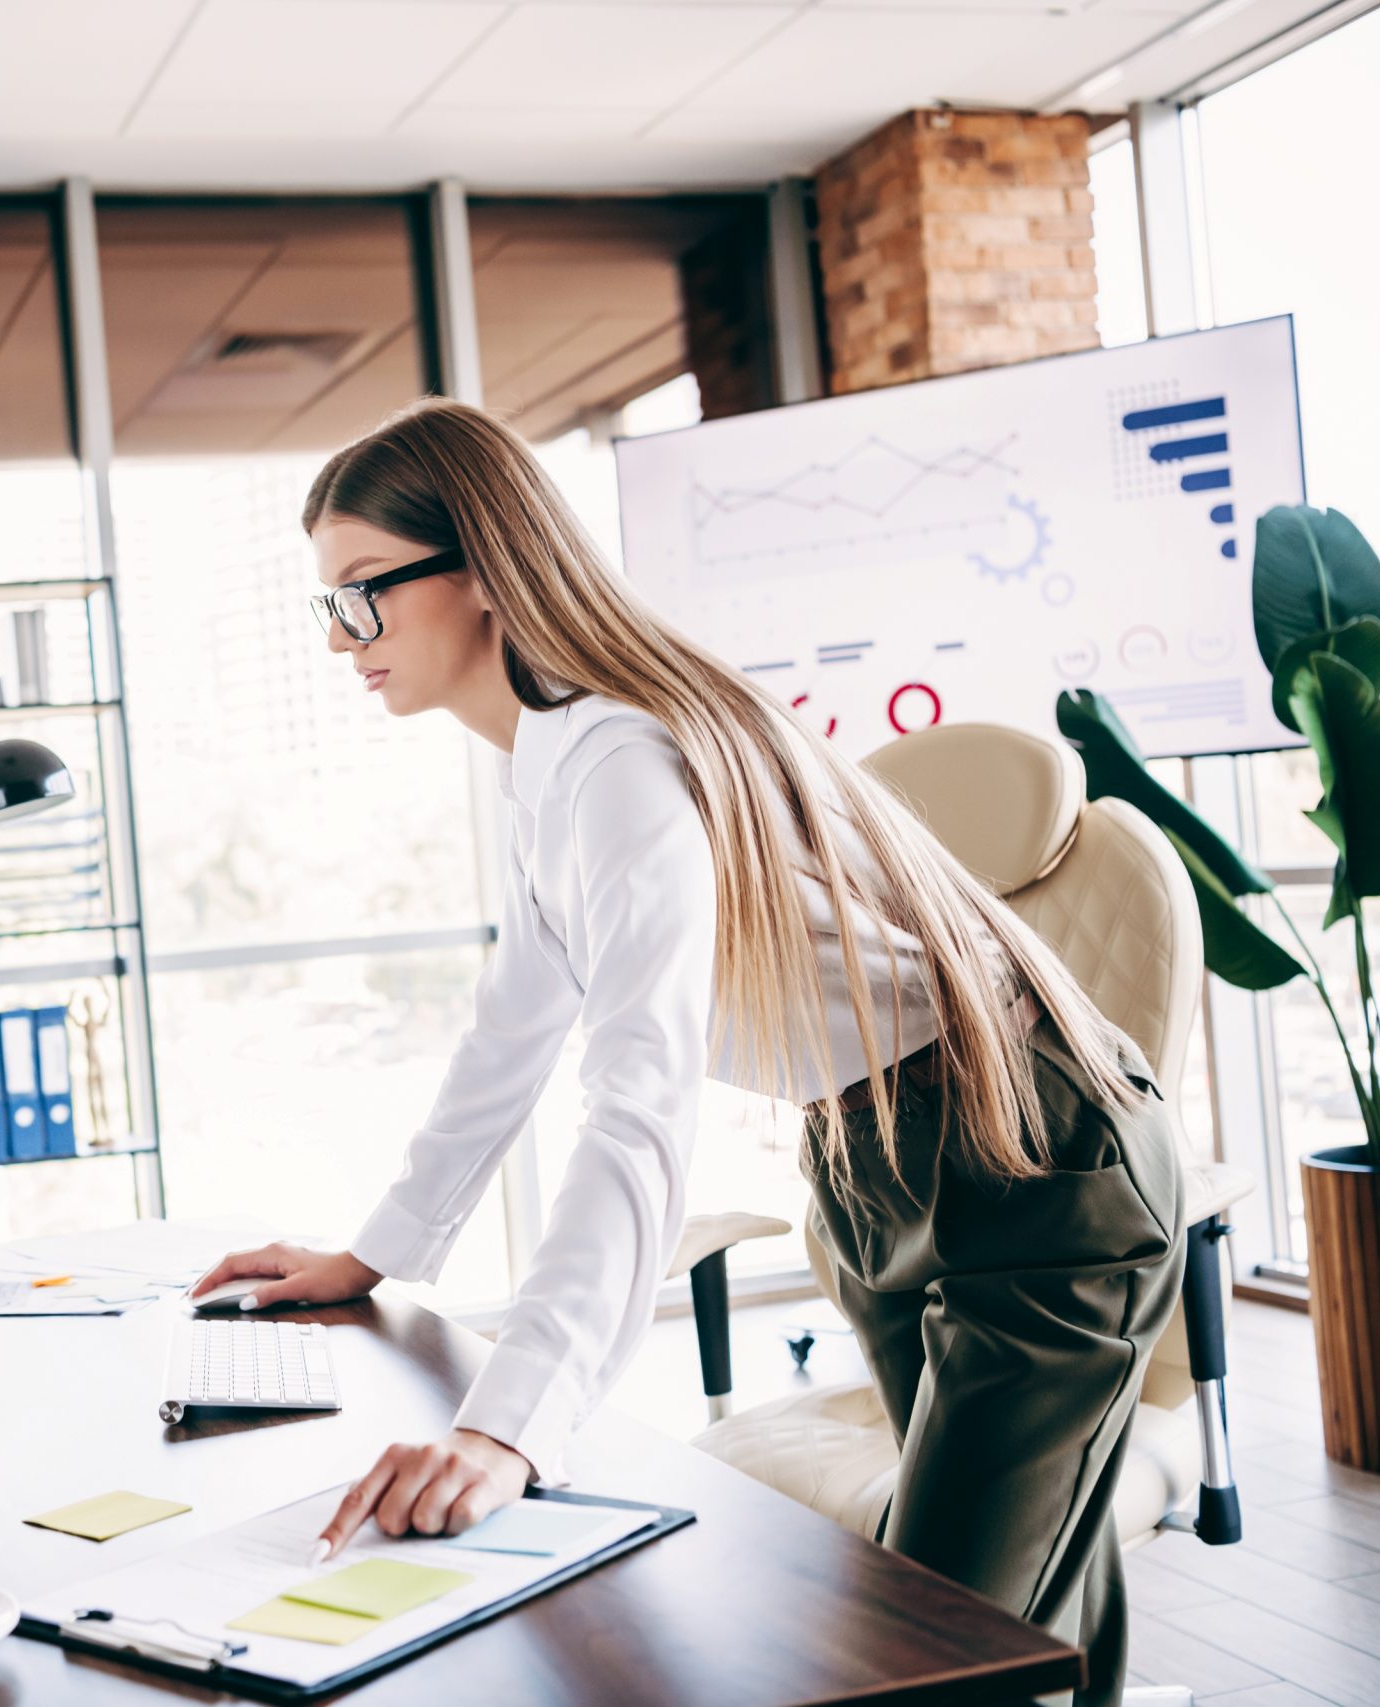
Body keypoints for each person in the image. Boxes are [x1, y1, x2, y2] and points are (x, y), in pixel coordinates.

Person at [189, 398, 1184, 1707]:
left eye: (361, 594)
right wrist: (372, 1253)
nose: (339, 639)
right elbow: (514, 1033)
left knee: (931, 1646)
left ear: (480, 569)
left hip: (1030, 1157)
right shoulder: (543, 763)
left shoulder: (620, 758)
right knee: (1023, 1603)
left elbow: (636, 1103)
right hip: (873, 1160)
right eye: (328, 603)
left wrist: (510, 1427)